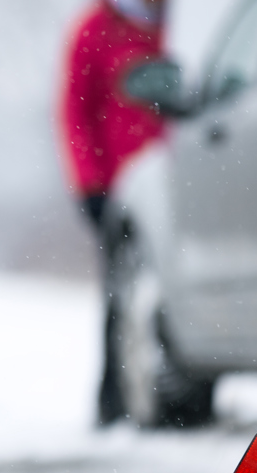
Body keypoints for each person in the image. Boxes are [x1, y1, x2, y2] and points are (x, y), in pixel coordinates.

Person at [58, 0, 168, 426]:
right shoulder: (95, 29)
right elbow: (76, 113)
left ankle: (178, 398)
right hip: (119, 190)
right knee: (121, 293)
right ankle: (115, 399)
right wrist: (90, 184)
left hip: (178, 184)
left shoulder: (181, 22)